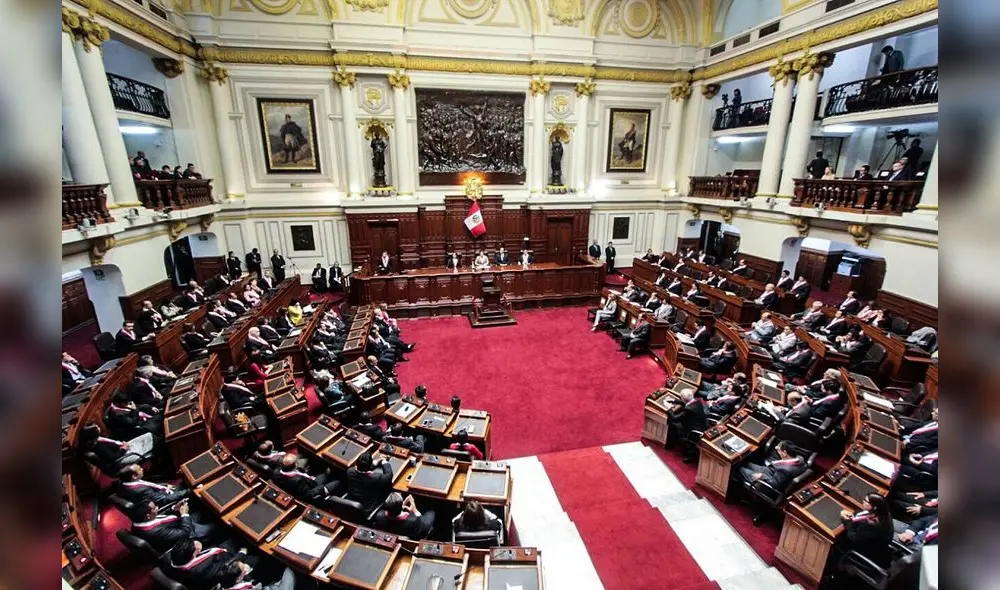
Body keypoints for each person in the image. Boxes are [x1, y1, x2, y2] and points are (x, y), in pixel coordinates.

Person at [129, 499, 215, 554]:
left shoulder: (140, 522)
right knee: (214, 525)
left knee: (203, 511)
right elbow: (184, 532)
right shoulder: (155, 531)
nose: (157, 508)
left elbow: (160, 516)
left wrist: (174, 508)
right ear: (148, 516)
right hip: (187, 534)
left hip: (178, 523)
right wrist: (184, 514)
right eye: (155, 508)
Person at [165, 538, 250, 590]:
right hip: (230, 560)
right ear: (194, 554)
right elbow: (226, 567)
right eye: (195, 546)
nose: (196, 542)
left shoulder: (173, 557)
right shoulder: (204, 572)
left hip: (217, 552)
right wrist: (242, 553)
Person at [839, 494, 894, 569]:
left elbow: (853, 537)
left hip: (867, 554)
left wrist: (846, 521)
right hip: (880, 550)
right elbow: (863, 515)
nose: (863, 501)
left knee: (839, 541)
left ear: (874, 507)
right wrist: (854, 516)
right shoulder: (885, 515)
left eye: (866, 501)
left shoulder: (871, 527)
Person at [739, 442, 807, 491]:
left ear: (785, 453)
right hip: (774, 473)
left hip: (768, 483)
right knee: (746, 463)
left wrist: (762, 476)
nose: (778, 452)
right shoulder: (800, 459)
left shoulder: (785, 470)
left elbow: (774, 484)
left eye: (779, 451)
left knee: (740, 469)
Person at [117, 464, 189, 507]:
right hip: (166, 498)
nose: (142, 469)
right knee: (190, 487)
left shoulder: (122, 482)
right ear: (134, 476)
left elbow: (148, 485)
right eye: (139, 469)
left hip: (159, 493)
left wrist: (165, 486)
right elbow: (164, 500)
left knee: (184, 482)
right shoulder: (143, 490)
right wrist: (189, 491)